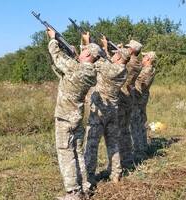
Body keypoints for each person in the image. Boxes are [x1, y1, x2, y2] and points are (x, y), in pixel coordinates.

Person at [46, 27, 102, 200]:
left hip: (65, 116)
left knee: (66, 152)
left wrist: (53, 39)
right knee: (77, 152)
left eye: (84, 51)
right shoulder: (90, 72)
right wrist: (73, 52)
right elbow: (72, 65)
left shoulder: (76, 69)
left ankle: (73, 192)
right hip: (76, 116)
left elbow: (57, 57)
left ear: (87, 55)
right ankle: (85, 187)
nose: (81, 53)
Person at [84, 35, 130, 191]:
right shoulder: (123, 71)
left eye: (116, 53)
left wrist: (89, 42)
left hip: (100, 111)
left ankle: (89, 176)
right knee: (113, 144)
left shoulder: (108, 67)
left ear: (118, 56)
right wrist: (106, 47)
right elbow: (107, 61)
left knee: (92, 144)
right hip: (113, 111)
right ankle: (116, 173)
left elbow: (95, 57)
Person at [117, 40, 143, 169]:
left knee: (121, 130)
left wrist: (117, 51)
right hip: (129, 97)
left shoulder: (130, 63)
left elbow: (116, 65)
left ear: (132, 50)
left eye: (128, 48)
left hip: (122, 96)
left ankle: (123, 160)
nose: (126, 49)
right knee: (125, 129)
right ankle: (127, 157)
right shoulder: (137, 63)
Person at [131, 51, 157, 163]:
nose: (142, 58)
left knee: (135, 125)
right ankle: (144, 147)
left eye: (144, 56)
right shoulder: (152, 69)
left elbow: (134, 76)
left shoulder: (146, 70)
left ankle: (139, 151)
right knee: (141, 124)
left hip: (137, 100)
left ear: (148, 59)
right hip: (142, 99)